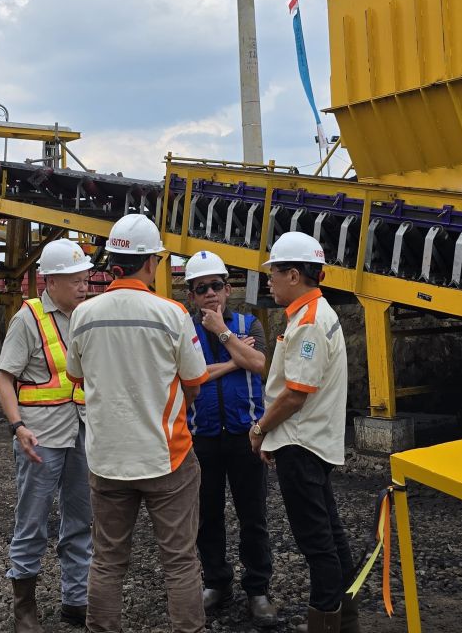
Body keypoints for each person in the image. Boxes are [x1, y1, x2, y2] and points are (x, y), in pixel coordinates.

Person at [65, 214, 210, 633]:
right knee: (180, 560)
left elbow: (78, 376)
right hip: (167, 455)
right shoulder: (172, 313)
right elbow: (195, 382)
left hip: (106, 458)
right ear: (150, 263)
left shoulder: (84, 315)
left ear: (113, 261)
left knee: (107, 560)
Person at [249, 232, 357, 633]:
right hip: (311, 442)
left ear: (294, 274)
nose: (269, 280)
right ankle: (344, 620)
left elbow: (295, 394)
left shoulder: (310, 321)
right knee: (329, 533)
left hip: (302, 444)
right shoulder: (312, 314)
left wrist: (260, 429)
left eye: (273, 272)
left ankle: (326, 621)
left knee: (316, 543)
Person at [0, 238, 95, 631]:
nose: (83, 283)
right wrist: (18, 427)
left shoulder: (88, 314)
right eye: (74, 278)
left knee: (80, 521)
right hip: (41, 439)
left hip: (82, 433)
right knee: (32, 522)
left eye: (84, 276)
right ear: (50, 281)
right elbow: (4, 380)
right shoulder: (28, 319)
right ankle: (25, 609)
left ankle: (76, 600)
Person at [183, 250, 277, 627]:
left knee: (253, 516)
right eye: (201, 288)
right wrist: (236, 359)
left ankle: (258, 590)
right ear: (191, 295)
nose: (210, 293)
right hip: (202, 437)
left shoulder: (249, 323)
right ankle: (216, 582)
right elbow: (188, 376)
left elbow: (262, 365)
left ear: (228, 288)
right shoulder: (184, 331)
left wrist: (223, 335)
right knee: (207, 517)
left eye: (216, 285)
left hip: (246, 435)